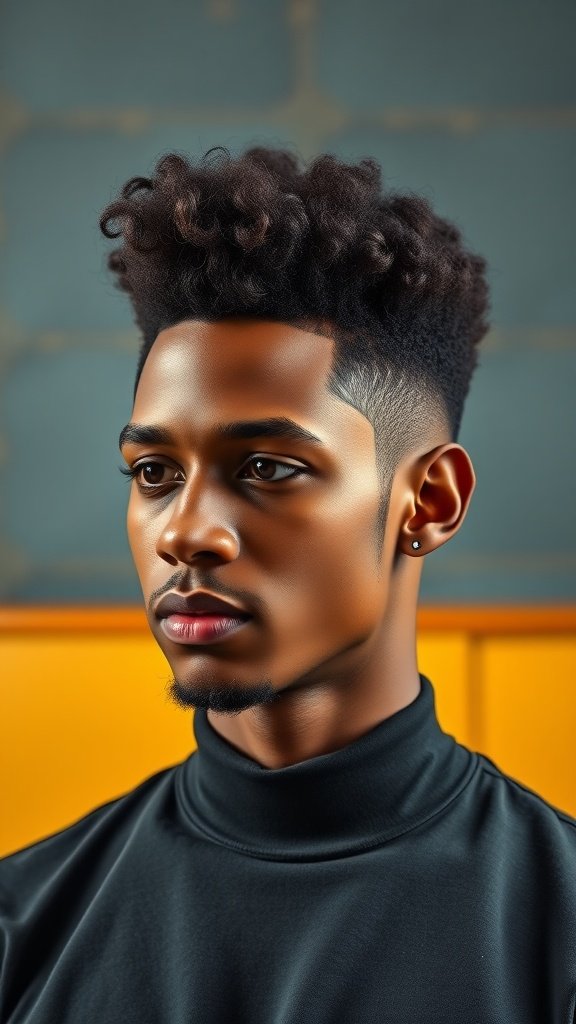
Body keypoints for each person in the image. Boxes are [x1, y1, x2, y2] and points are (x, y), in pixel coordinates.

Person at [1, 147, 574, 1024]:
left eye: (267, 467)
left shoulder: (557, 932)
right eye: (154, 471)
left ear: (430, 501)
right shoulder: (23, 930)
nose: (186, 531)